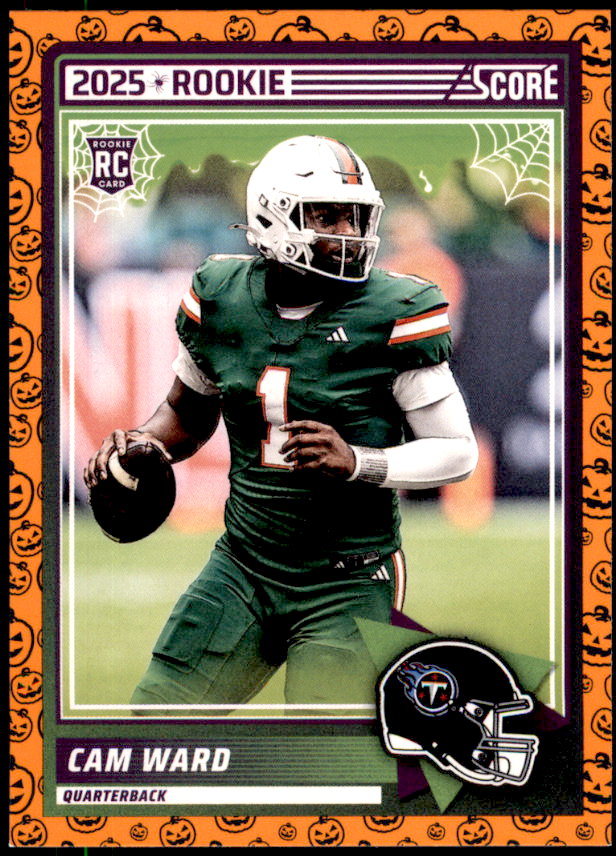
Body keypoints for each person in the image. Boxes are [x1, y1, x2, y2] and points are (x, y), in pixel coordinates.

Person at [84, 135, 478, 712]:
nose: (347, 233)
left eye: (355, 217)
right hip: (243, 566)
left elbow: (456, 450)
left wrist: (360, 462)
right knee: (157, 723)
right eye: (327, 216)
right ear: (272, 216)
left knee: (321, 749)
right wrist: (145, 442)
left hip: (348, 579)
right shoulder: (222, 296)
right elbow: (187, 414)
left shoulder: (392, 310)